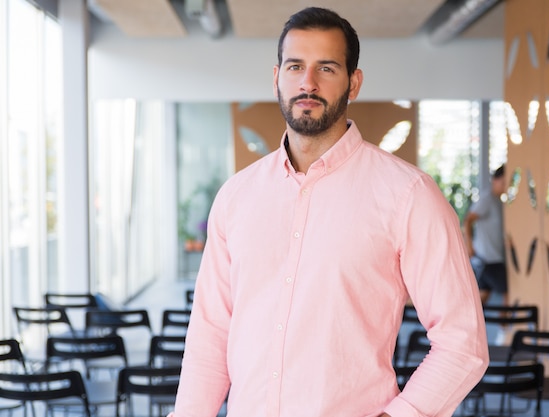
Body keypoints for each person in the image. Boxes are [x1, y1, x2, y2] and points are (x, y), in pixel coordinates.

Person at [172, 7, 488, 417]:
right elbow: (210, 336)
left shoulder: (409, 195)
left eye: (326, 67)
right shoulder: (236, 196)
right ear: (276, 79)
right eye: (295, 66)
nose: (308, 82)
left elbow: (463, 343)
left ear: (353, 83)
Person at [463, 164, 508, 306]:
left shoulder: (499, 202)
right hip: (488, 259)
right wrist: (469, 245)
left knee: (482, 297)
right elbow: (468, 220)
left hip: (492, 258)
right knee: (508, 293)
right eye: (504, 181)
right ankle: (505, 327)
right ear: (496, 179)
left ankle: (469, 326)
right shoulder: (487, 199)